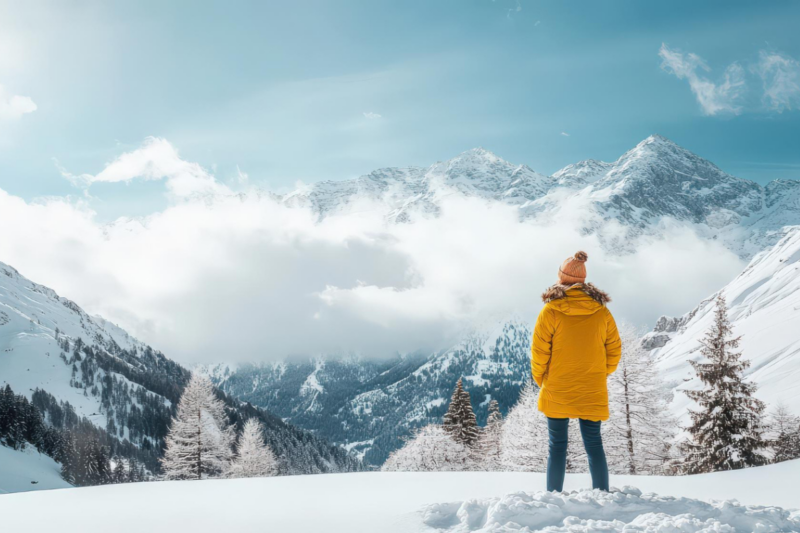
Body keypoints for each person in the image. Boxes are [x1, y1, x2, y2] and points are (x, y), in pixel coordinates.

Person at [531, 250, 621, 492]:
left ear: (561, 278)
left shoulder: (550, 311)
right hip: (592, 388)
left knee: (557, 446)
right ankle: (602, 495)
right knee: (594, 443)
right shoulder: (602, 311)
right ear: (583, 280)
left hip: (557, 387)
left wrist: (542, 380)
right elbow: (614, 351)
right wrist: (600, 374)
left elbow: (539, 353)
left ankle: (552, 496)